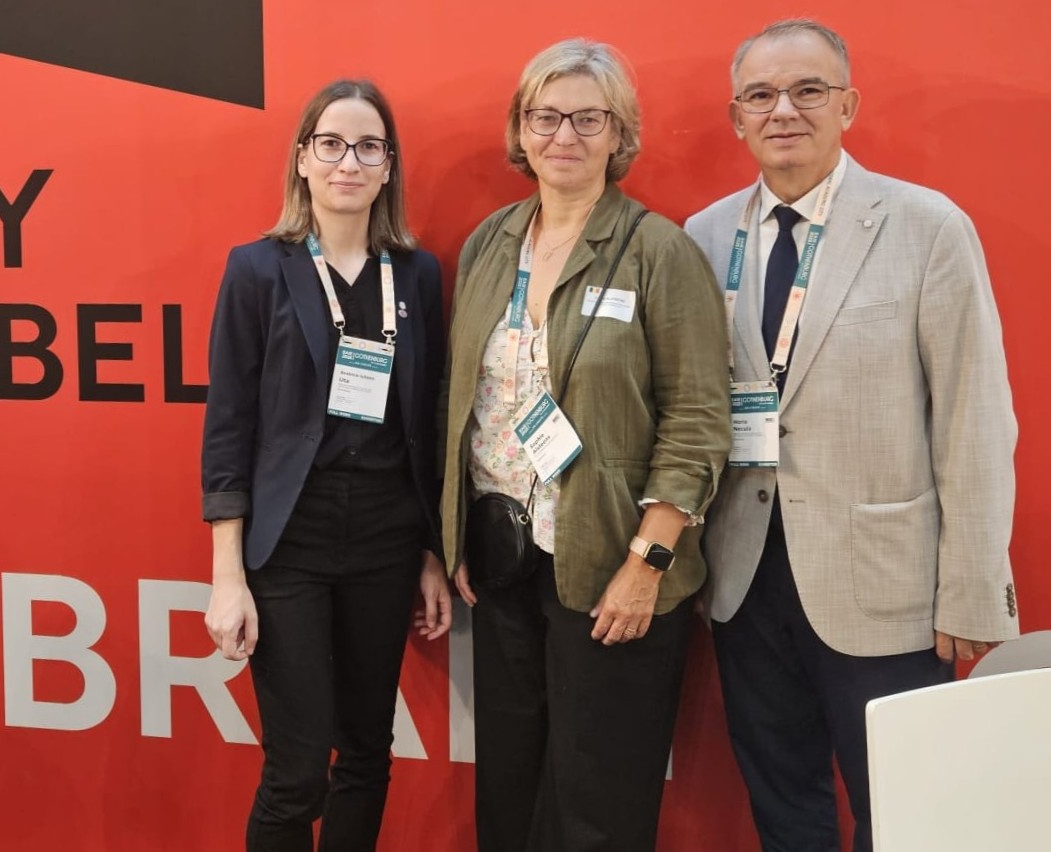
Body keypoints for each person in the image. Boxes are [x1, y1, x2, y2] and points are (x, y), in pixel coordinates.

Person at [685, 19, 1019, 852]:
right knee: (782, 803)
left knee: (904, 813)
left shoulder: (924, 225)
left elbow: (975, 417)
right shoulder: (703, 236)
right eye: (760, 95)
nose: (782, 110)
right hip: (743, 577)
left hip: (886, 585)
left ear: (847, 105)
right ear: (735, 117)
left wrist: (973, 588)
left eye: (807, 90)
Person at [439, 39, 729, 851]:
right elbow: (462, 400)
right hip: (502, 562)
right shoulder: (490, 243)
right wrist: (455, 535)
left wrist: (647, 564)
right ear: (519, 130)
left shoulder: (658, 251)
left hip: (609, 565)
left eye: (587, 119)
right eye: (544, 117)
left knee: (596, 807)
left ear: (618, 133)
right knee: (507, 791)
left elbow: (697, 421)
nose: (563, 135)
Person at [200, 79, 452, 852]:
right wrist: (227, 575)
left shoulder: (416, 274)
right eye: (331, 144)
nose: (349, 162)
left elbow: (428, 423)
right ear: (303, 159)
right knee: (297, 770)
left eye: (368, 147)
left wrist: (431, 553)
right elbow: (228, 427)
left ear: (388, 166)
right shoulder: (257, 270)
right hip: (290, 542)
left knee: (367, 754)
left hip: (385, 537)